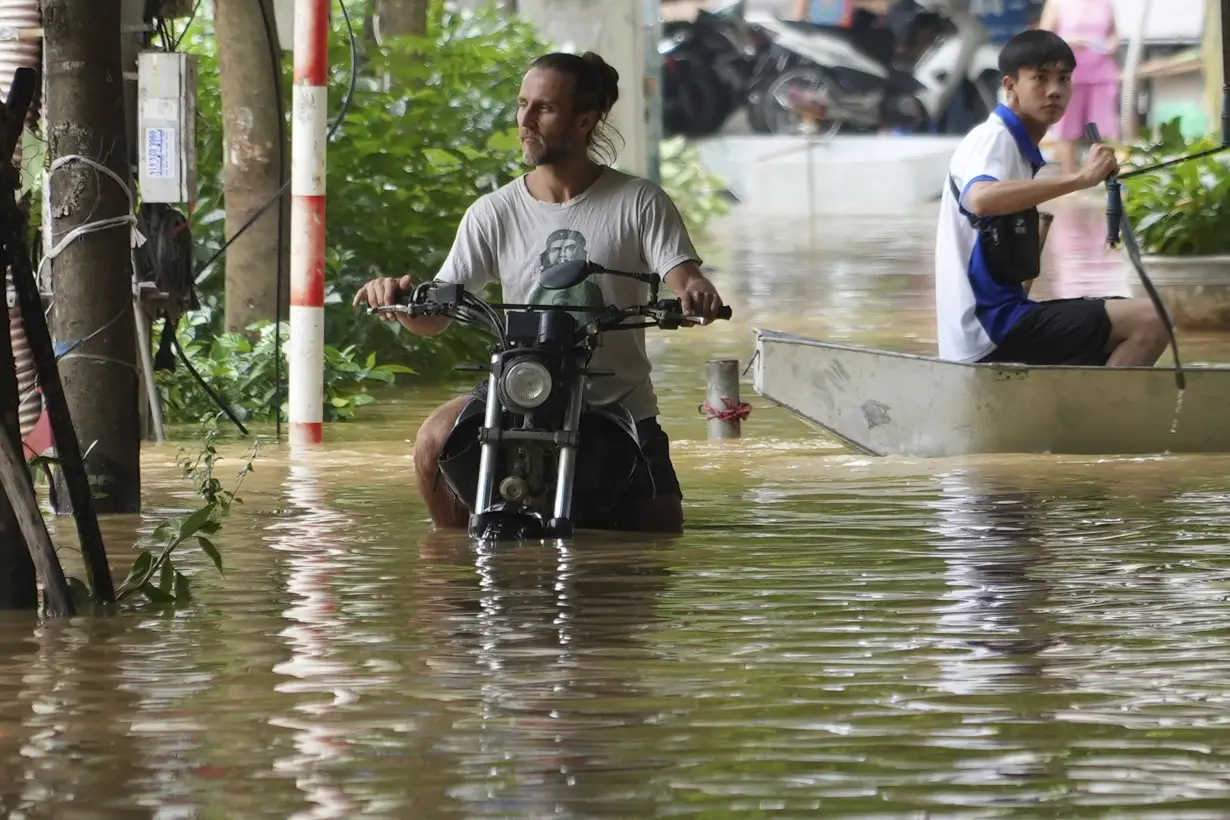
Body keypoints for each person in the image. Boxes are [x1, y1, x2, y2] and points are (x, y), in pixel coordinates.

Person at [352, 51, 726, 534]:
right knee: (432, 439)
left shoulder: (639, 202)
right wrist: (400, 298)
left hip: (615, 400)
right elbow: (437, 313)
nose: (524, 121)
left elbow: (685, 277)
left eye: (543, 109)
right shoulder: (493, 212)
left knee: (659, 536)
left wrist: (698, 294)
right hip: (520, 388)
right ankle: (450, 566)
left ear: (585, 120)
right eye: (522, 104)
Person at [934, 28, 1166, 368]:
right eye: (1039, 79)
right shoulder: (993, 138)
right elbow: (980, 198)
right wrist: (1080, 178)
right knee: (1151, 319)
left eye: (1064, 79)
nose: (1054, 91)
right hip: (989, 330)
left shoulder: (1017, 145)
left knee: (1123, 313)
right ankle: (1102, 417)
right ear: (1010, 85)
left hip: (998, 322)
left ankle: (1088, 410)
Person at [1039, 0, 1121, 176]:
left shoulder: (1105, 3)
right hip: (1069, 71)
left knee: (1104, 126)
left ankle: (1108, 176)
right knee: (1069, 125)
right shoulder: (1057, 3)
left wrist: (1111, 45)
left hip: (1101, 70)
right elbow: (1044, 37)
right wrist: (1070, 42)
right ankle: (1070, 177)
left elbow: (1113, 34)